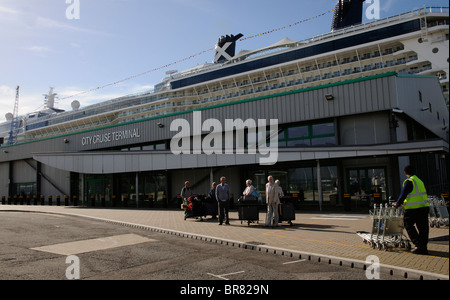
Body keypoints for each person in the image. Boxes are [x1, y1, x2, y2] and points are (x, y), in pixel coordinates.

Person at [393, 165, 430, 255]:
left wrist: (397, 203)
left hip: (412, 209)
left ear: (405, 172)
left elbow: (403, 193)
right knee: (423, 228)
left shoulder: (409, 181)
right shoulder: (419, 181)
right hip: (424, 207)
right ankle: (423, 247)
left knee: (408, 225)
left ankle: (418, 245)